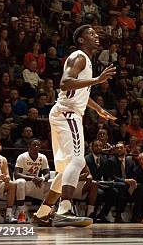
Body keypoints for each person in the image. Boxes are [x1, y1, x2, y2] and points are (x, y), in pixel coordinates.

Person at [31, 25, 117, 227]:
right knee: (78, 162)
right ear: (81, 40)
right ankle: (64, 210)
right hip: (68, 114)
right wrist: (97, 80)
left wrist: (97, 109)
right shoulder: (79, 57)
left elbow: (80, 91)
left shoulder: (84, 59)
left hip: (64, 113)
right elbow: (65, 83)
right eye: (91, 34)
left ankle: (43, 213)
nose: (96, 36)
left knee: (65, 170)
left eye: (96, 34)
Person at [14, 139, 50, 220]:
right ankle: (20, 211)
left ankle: (46, 210)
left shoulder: (43, 157)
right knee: (20, 182)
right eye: (34, 145)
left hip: (36, 184)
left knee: (51, 182)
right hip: (25, 184)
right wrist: (32, 178)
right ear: (29, 146)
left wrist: (41, 178)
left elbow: (48, 174)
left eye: (38, 145)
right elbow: (16, 174)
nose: (36, 147)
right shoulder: (22, 157)